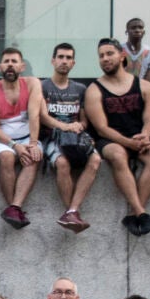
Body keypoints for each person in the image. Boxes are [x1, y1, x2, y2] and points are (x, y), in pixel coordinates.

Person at [85, 38, 150, 235]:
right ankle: (141, 212)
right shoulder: (94, 90)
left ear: (122, 56)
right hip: (110, 140)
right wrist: (128, 142)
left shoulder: (144, 86)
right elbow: (101, 128)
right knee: (118, 155)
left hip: (139, 137)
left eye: (109, 53)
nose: (105, 59)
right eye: (101, 56)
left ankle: (135, 213)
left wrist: (145, 135)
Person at [0, 46, 45, 229]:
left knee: (34, 156)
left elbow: (34, 115)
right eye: (6, 62)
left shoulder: (32, 84)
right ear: (0, 67)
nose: (10, 65)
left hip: (27, 136)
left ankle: (15, 207)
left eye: (14, 61)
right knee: (7, 157)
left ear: (22, 66)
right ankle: (13, 207)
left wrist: (33, 143)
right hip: (2, 140)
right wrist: (14, 146)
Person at [39, 43, 99, 233]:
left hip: (76, 138)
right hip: (52, 138)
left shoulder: (80, 89)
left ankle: (72, 211)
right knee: (62, 164)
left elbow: (84, 120)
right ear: (53, 60)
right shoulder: (42, 86)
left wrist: (80, 126)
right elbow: (43, 117)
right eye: (60, 57)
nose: (64, 61)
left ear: (73, 63)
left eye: (68, 58)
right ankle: (71, 212)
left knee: (96, 160)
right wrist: (65, 126)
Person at [121, 18, 150, 82]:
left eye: (140, 28)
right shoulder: (118, 50)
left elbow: (148, 83)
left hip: (141, 87)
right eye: (133, 28)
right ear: (126, 32)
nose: (137, 30)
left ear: (144, 32)